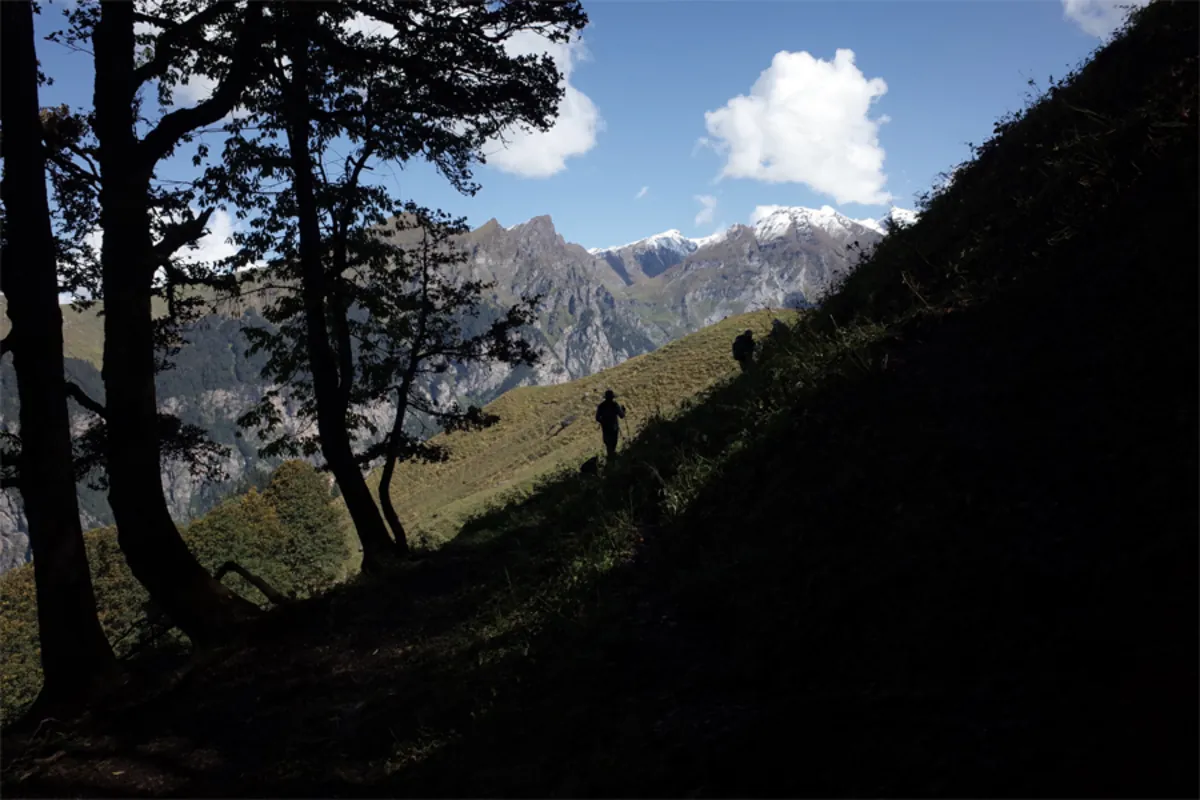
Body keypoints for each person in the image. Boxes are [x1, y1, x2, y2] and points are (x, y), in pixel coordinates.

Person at [595, 389, 626, 458]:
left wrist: (603, 421)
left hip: (606, 428)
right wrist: (623, 410)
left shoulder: (601, 406)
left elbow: (597, 418)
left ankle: (610, 457)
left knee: (608, 444)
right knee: (613, 443)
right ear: (612, 397)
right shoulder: (614, 405)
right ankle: (612, 457)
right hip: (614, 428)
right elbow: (621, 416)